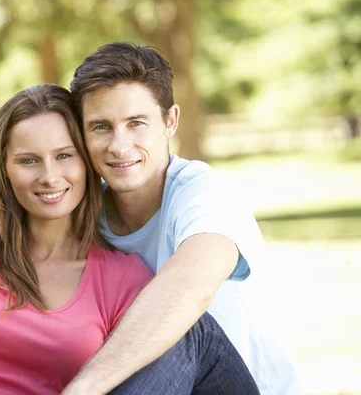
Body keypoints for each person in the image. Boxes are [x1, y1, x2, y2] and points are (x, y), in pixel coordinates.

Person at [0, 84, 259, 394]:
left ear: (86, 162)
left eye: (64, 156)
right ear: (3, 167)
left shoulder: (123, 277)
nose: (49, 176)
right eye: (28, 160)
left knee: (191, 329)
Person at [61, 42, 301, 395]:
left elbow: (192, 287)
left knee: (185, 325)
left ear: (170, 120)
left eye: (136, 123)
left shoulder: (205, 195)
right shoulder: (83, 213)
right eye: (101, 127)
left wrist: (83, 389)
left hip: (235, 386)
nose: (118, 144)